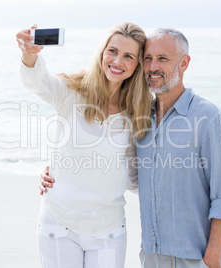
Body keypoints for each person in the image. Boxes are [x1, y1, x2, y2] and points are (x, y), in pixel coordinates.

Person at [40, 28, 221, 268]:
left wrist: (213, 258)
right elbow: (130, 174)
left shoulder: (209, 118)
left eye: (163, 59)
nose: (153, 67)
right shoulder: (141, 118)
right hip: (152, 256)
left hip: (195, 257)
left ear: (184, 63)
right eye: (147, 59)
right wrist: (61, 171)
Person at [16, 22, 152, 268]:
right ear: (102, 52)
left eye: (128, 56)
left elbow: (133, 177)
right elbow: (37, 82)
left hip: (108, 230)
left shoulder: (138, 111)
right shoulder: (71, 91)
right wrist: (29, 54)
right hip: (58, 223)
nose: (117, 61)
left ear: (137, 65)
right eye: (112, 51)